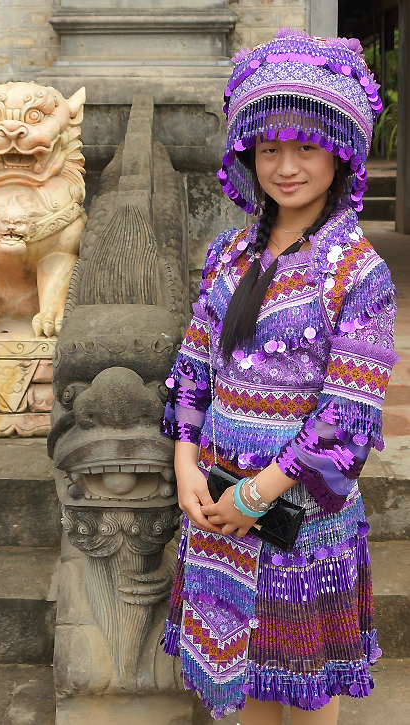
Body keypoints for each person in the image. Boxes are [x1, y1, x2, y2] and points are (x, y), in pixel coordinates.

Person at [161, 28, 399, 725]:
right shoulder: (227, 254)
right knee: (242, 688)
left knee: (301, 688)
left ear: (339, 149)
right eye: (269, 148)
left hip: (298, 521)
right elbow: (190, 372)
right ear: (247, 155)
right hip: (214, 507)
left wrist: (257, 497)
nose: (285, 166)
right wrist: (184, 467)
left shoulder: (358, 272)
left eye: (304, 146)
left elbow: (344, 418)